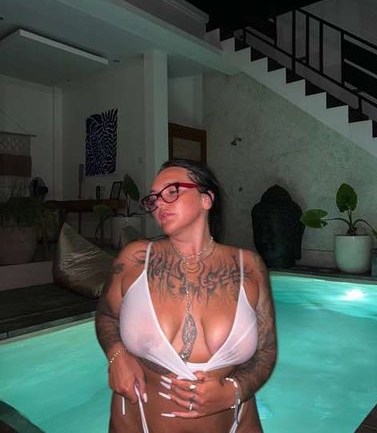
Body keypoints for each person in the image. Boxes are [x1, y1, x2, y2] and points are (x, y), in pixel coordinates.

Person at [96, 158, 277, 432]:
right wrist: (116, 354)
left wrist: (234, 391)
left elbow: (267, 350)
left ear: (206, 199)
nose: (159, 204)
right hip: (137, 421)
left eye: (172, 192)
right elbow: (107, 315)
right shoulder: (135, 259)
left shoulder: (249, 266)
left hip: (236, 424)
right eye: (154, 198)